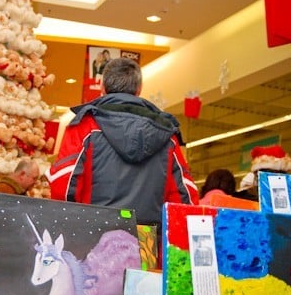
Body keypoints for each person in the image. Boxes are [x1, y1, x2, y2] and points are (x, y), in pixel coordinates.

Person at [47, 57, 198, 232]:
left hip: (94, 236)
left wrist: (73, 229)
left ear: (102, 88)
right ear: (139, 89)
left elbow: (64, 186)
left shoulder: (84, 127)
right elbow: (185, 198)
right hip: (147, 241)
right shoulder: (167, 135)